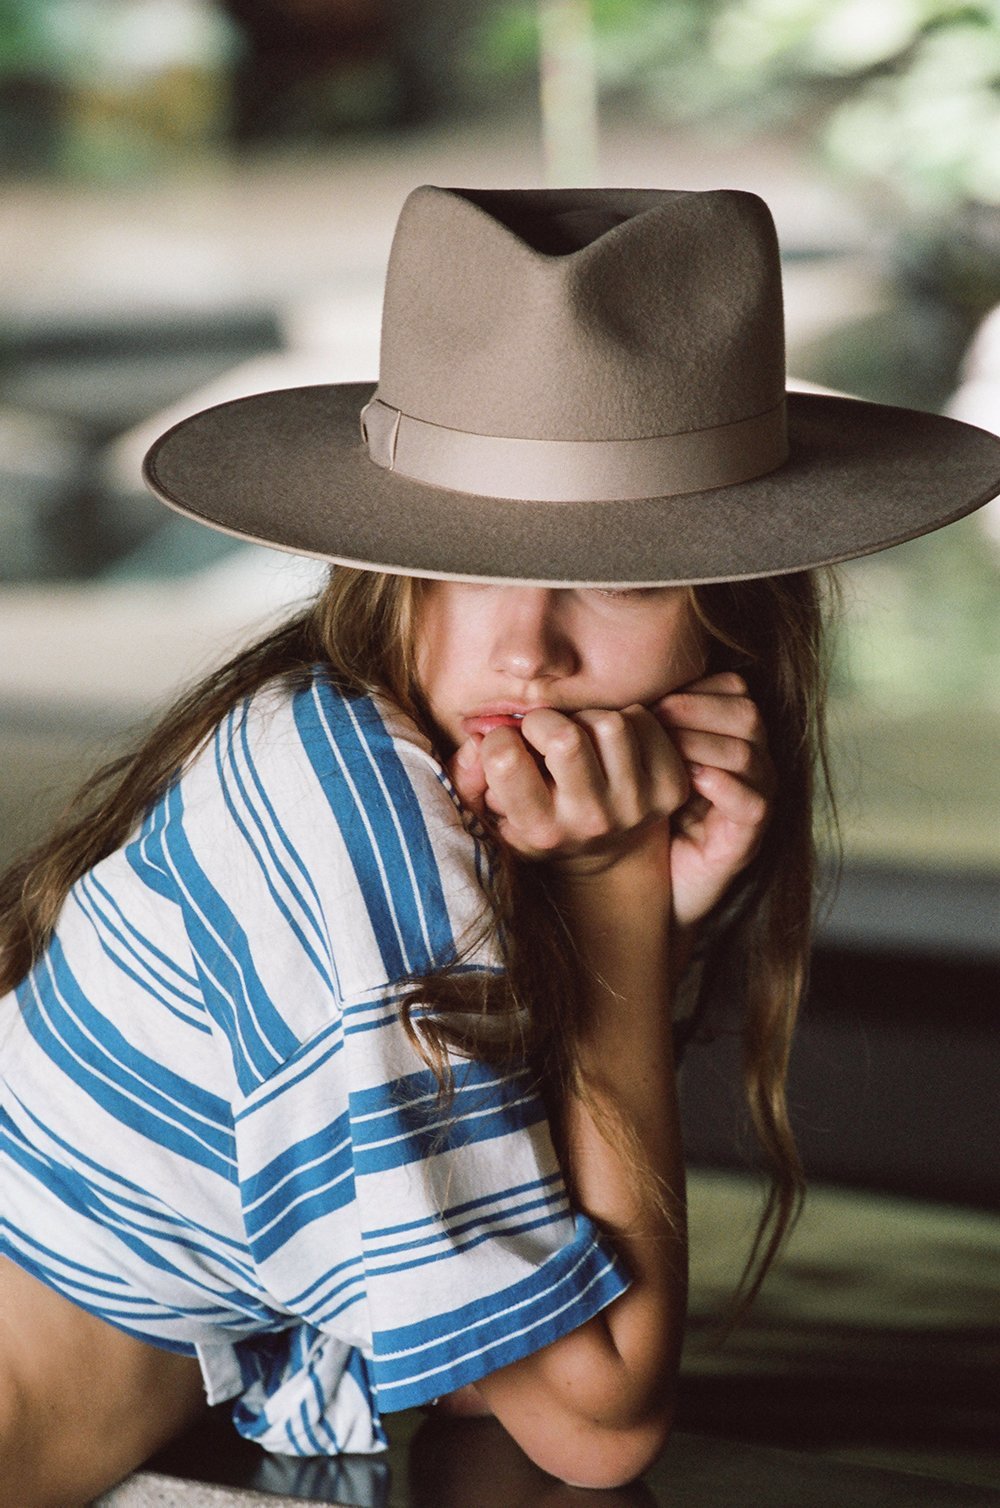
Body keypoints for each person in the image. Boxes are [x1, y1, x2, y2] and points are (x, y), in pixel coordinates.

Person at [1, 186, 997, 1506]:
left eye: (620, 578)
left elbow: (491, 1337)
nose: (527, 651)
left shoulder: (346, 742)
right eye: (467, 559)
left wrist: (630, 919)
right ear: (386, 563)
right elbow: (592, 1419)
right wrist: (616, 911)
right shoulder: (353, 818)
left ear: (734, 617)